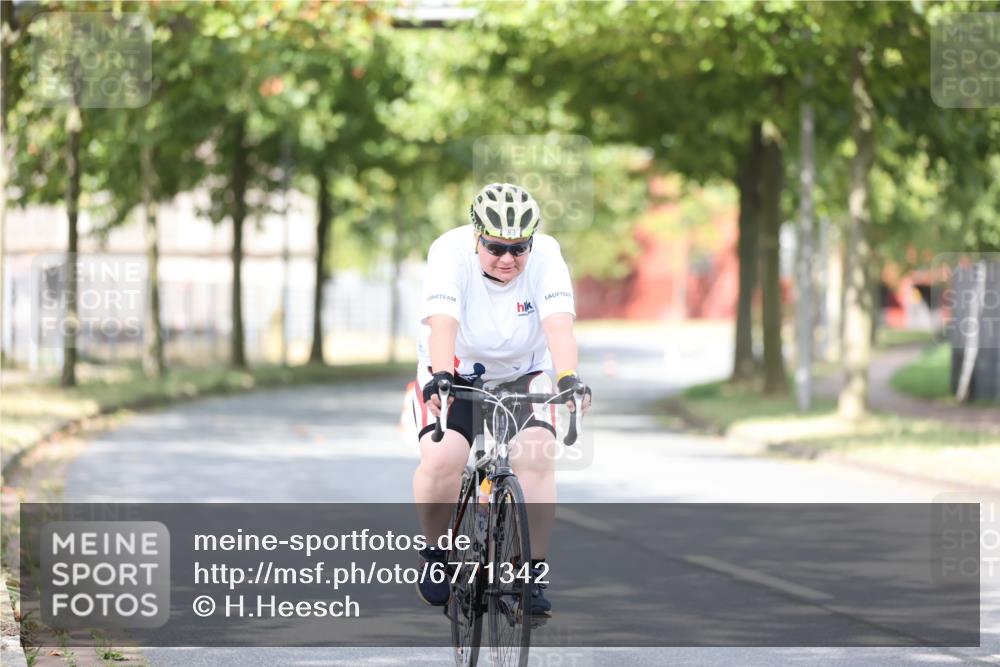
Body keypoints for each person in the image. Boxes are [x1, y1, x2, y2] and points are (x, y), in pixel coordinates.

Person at [410, 182, 592, 615]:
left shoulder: (547, 256)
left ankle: (530, 571)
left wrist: (568, 377)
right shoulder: (449, 252)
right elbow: (442, 324)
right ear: (476, 237)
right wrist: (440, 376)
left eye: (518, 248)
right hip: (456, 369)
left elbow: (560, 327)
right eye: (495, 248)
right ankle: (436, 555)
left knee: (537, 453)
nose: (508, 259)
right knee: (442, 457)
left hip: (522, 372)